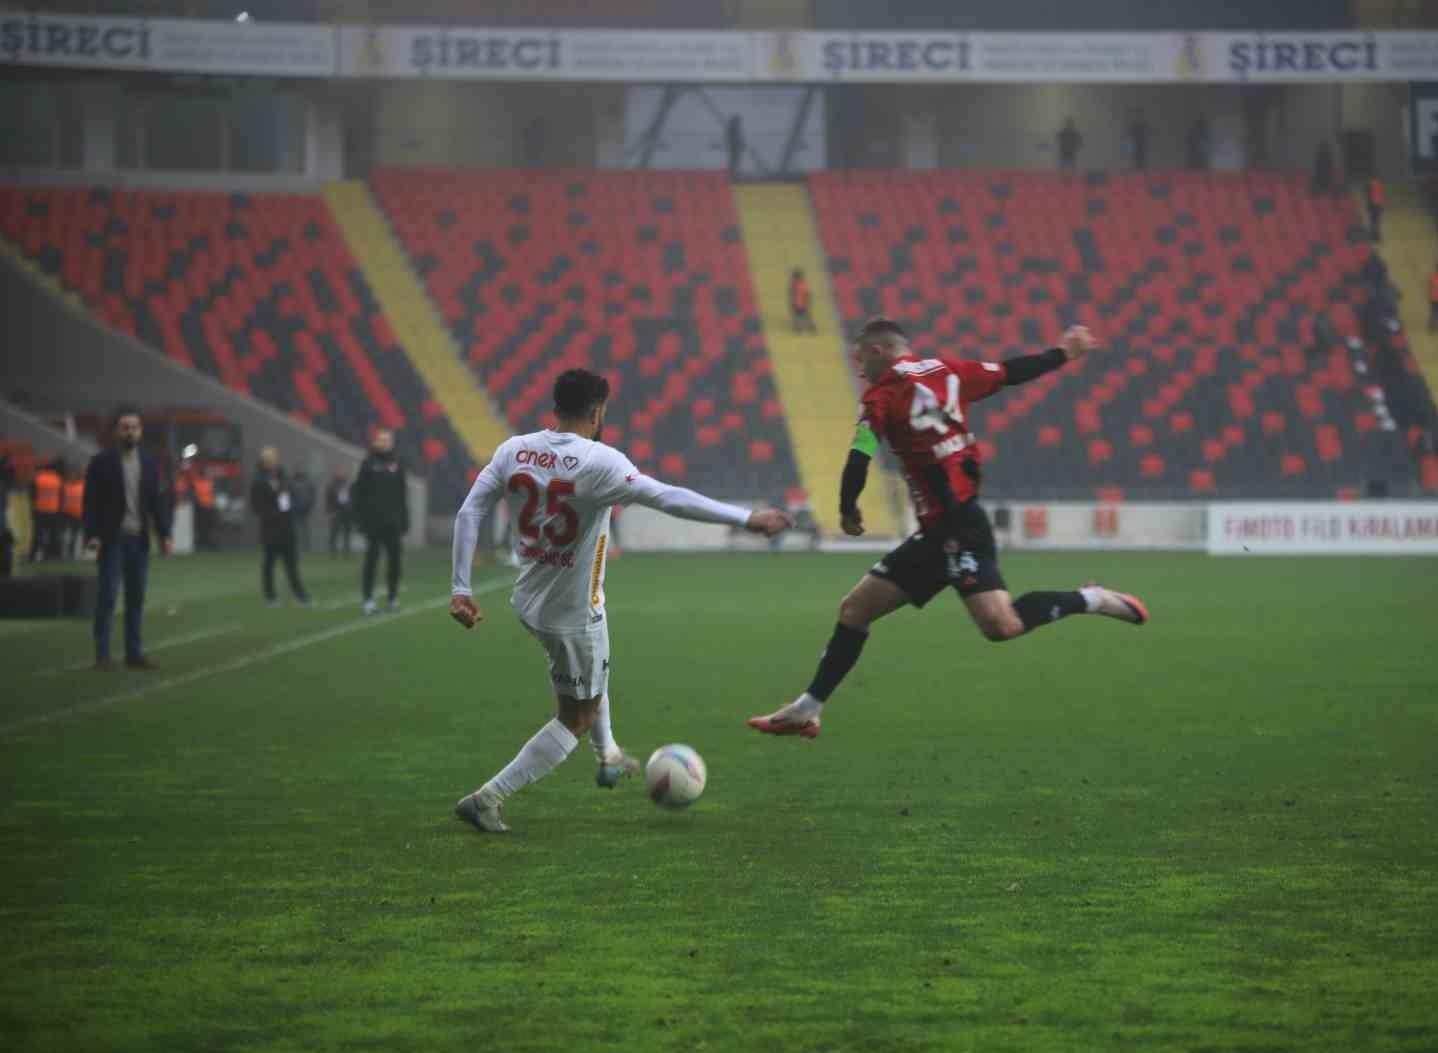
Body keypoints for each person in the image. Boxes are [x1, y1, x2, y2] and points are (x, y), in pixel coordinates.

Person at [748, 319, 1148, 740]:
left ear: (880, 351)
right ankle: (807, 709)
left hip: (959, 526)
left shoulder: (880, 396)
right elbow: (1012, 373)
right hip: (936, 532)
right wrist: (1063, 354)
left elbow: (860, 456)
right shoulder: (950, 370)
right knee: (855, 610)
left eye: (861, 358)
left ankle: (1093, 599)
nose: (859, 369)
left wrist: (848, 511)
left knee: (1002, 626)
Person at [448, 369, 792, 832]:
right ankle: (489, 797)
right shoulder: (600, 461)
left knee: (596, 667)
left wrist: (461, 588)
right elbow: (666, 497)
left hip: (532, 597)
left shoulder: (514, 449)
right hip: (569, 614)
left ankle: (608, 754)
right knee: (576, 715)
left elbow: (470, 510)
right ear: (596, 413)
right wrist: (745, 518)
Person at [83, 406, 172, 670]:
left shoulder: (148, 462)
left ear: (141, 431)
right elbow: (91, 503)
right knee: (107, 597)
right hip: (112, 539)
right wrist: (92, 536)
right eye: (125, 427)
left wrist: (164, 533)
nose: (129, 432)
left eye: (134, 427)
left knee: (136, 599)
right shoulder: (101, 462)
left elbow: (156, 501)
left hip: (139, 539)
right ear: (116, 431)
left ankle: (134, 654)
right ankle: (102, 655)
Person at [354, 428, 408, 614]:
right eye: (381, 439)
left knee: (394, 562)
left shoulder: (398, 463)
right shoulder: (368, 463)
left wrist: (404, 519)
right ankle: (368, 600)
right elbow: (359, 493)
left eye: (387, 439)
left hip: (393, 522)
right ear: (375, 442)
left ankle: (392, 598)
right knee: (372, 561)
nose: (384, 443)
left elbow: (402, 493)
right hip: (374, 522)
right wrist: (361, 520)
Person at [250, 446, 310, 606]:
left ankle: (300, 595)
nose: (273, 463)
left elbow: (289, 498)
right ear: (264, 462)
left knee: (291, 564)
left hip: (286, 527)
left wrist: (290, 512)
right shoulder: (259, 480)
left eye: (274, 459)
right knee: (269, 564)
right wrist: (272, 514)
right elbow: (256, 505)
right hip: (270, 529)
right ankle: (270, 596)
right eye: (269, 460)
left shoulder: (283, 477)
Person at [29, 460, 62, 562]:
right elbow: (61, 496)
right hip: (53, 510)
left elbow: (32, 494)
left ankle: (34, 555)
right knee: (52, 534)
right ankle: (50, 555)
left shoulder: (38, 478)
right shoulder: (58, 479)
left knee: (38, 534)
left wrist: (33, 507)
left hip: (40, 510)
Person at [325, 466, 355, 556]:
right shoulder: (331, 485)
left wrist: (352, 509)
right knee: (334, 533)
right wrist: (329, 512)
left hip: (347, 511)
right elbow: (328, 500)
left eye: (342, 472)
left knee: (347, 533)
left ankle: (347, 551)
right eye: (339, 472)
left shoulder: (349, 484)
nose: (341, 474)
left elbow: (353, 497)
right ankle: (333, 552)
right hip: (336, 511)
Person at [289, 466, 316, 551]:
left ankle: (307, 547)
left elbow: (313, 495)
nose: (299, 472)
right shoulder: (291, 483)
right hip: (294, 511)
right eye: (298, 470)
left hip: (305, 510)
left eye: (300, 470)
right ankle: (295, 546)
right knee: (295, 530)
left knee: (305, 530)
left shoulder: (308, 483)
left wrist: (310, 506)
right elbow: (287, 495)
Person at [61, 464, 84, 560]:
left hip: (79, 515)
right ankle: (65, 554)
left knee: (77, 536)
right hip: (68, 514)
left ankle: (76, 555)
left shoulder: (83, 486)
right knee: (68, 536)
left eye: (74, 475)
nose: (72, 476)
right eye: (71, 475)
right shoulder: (65, 486)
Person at [789, 269, 816, 334]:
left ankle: (807, 327)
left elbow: (807, 294)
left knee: (802, 316)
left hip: (801, 303)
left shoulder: (799, 284)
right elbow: (793, 294)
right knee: (800, 316)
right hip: (799, 303)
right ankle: (802, 327)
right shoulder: (797, 284)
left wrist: (808, 302)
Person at [1366, 175, 1385, 242]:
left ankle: (1374, 237)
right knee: (1377, 222)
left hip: (1372, 204)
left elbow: (1368, 196)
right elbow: (1381, 194)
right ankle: (1377, 237)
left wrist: (1368, 206)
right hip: (1379, 204)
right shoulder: (1380, 184)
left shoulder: (1369, 184)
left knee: (1373, 222)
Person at [725, 115, 744, 181]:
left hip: (736, 149)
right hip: (734, 149)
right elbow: (730, 139)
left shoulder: (735, 129)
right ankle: (732, 177)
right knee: (734, 163)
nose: (739, 123)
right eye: (737, 121)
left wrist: (741, 144)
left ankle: (734, 176)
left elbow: (739, 139)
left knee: (735, 163)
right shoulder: (732, 129)